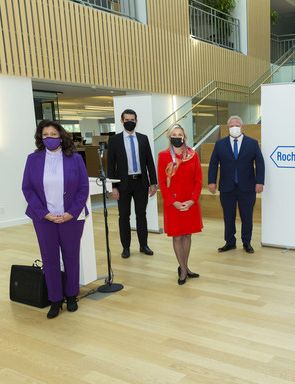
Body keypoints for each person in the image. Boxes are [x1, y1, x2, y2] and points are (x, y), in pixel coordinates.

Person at [22, 120, 89, 319]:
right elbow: (28, 189)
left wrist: (72, 212)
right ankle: (55, 300)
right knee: (50, 259)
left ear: (61, 136)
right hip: (44, 219)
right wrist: (45, 213)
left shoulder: (75, 159)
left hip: (71, 217)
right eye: (45, 135)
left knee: (71, 257)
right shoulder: (32, 159)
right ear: (40, 138)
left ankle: (71, 296)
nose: (49, 138)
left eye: (53, 134)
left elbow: (83, 188)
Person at [208, 115, 265, 253]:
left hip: (247, 187)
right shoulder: (220, 144)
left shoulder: (252, 143)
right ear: (228, 128)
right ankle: (230, 242)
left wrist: (260, 182)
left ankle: (247, 242)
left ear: (242, 127)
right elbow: (213, 164)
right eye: (232, 126)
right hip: (227, 187)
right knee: (228, 217)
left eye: (237, 125)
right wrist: (211, 182)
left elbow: (260, 163)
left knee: (247, 217)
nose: (235, 128)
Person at [107, 109, 158, 258]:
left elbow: (150, 162)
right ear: (122, 121)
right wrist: (113, 187)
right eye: (127, 119)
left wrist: (153, 183)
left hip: (141, 183)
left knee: (141, 215)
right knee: (124, 216)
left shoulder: (143, 138)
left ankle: (144, 245)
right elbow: (111, 165)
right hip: (123, 184)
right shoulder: (114, 140)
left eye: (132, 119)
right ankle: (126, 248)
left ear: (136, 121)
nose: (130, 122)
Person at [157, 124, 203, 285]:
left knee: (187, 235)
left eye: (180, 134)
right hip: (173, 203)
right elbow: (162, 183)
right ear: (169, 137)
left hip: (190, 202)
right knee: (177, 237)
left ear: (184, 137)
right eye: (174, 135)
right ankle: (183, 269)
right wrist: (173, 202)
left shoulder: (193, 155)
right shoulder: (163, 156)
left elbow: (198, 180)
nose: (177, 137)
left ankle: (186, 266)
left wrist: (192, 200)